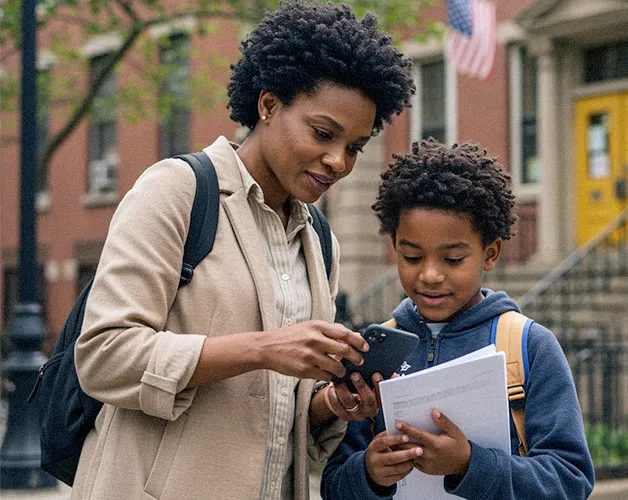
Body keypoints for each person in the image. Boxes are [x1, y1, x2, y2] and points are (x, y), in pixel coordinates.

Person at [71, 2, 414, 499]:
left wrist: (331, 404)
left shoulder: (320, 239)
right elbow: (104, 355)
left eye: (355, 147)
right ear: (268, 105)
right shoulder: (176, 191)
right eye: (323, 134)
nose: (338, 161)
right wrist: (262, 348)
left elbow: (276, 412)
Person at [321, 140, 595, 499]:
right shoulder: (377, 351)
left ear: (490, 253)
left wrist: (469, 465)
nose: (430, 275)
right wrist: (369, 473)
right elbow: (334, 484)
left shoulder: (529, 346)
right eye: (412, 257)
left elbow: (570, 480)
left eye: (452, 259)